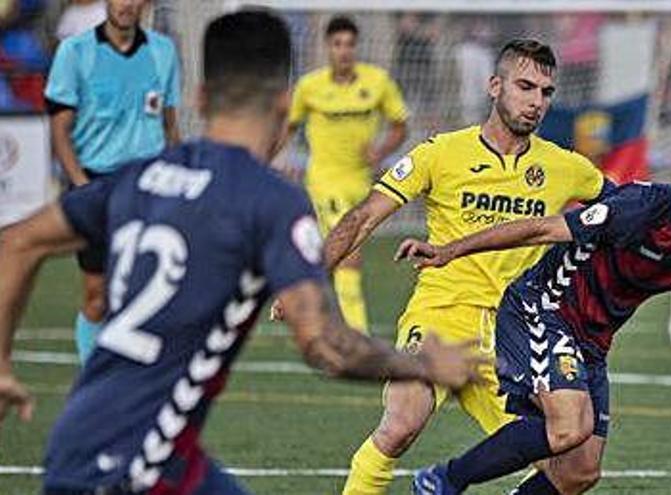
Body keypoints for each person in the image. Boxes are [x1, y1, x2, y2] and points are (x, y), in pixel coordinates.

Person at [0, 10, 483, 495]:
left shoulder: (139, 177)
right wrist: (424, 366)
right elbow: (326, 346)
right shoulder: (270, 201)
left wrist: (1, 366)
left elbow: (15, 242)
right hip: (135, 461)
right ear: (284, 103)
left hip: (95, 441)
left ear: (200, 98)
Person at [294, 38, 610, 495]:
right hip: (441, 317)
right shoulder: (439, 153)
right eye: (525, 86)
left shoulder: (566, 167)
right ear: (494, 86)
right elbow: (364, 216)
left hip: (515, 334)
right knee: (402, 423)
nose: (536, 101)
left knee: (571, 470)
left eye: (545, 92)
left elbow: (626, 211)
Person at [404, 134, 671, 495]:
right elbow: (543, 228)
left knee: (579, 473)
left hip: (592, 341)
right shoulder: (640, 208)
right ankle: (441, 482)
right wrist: (449, 251)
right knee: (568, 426)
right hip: (542, 308)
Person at [44, 0, 181, 363]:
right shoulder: (75, 52)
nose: (126, 4)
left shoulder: (163, 52)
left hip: (149, 185)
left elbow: (169, 126)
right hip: (95, 182)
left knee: (147, 292)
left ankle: (136, 378)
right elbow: (60, 131)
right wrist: (82, 185)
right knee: (97, 296)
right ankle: (93, 377)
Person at [283, 15, 408, 332]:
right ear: (328, 47)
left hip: (362, 183)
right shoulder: (310, 86)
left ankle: (311, 315)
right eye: (337, 44)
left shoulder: (377, 82)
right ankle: (356, 334)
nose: (344, 51)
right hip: (325, 182)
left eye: (350, 44)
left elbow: (399, 125)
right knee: (348, 254)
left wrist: (380, 152)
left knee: (330, 254)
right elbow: (288, 127)